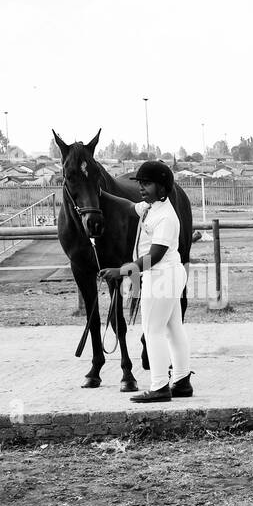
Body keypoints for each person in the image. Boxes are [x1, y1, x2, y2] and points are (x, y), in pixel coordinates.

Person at [100, 160, 192, 403]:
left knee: (153, 331)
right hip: (169, 274)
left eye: (147, 184)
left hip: (161, 275)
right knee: (173, 329)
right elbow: (130, 207)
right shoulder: (152, 207)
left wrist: (119, 271)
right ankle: (182, 381)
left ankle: (160, 385)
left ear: (162, 188)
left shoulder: (166, 217)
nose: (141, 188)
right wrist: (103, 195)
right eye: (140, 183)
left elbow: (154, 257)